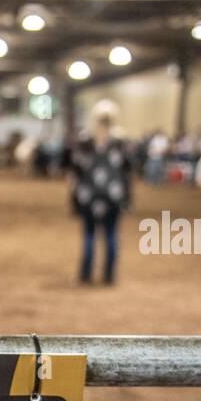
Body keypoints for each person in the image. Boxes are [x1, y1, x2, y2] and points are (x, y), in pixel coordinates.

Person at [65, 99, 131, 285]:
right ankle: (109, 275)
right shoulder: (120, 142)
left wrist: (74, 198)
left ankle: (85, 275)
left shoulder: (85, 141)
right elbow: (127, 172)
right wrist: (127, 198)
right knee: (111, 234)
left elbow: (74, 171)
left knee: (89, 234)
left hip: (89, 195)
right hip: (112, 195)